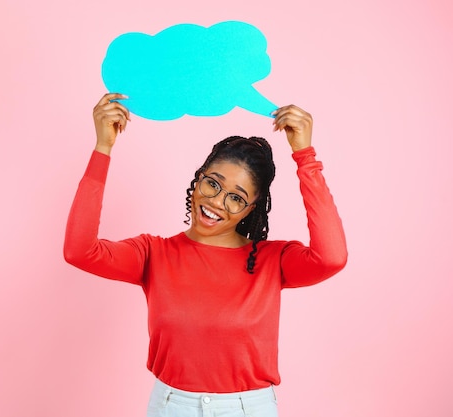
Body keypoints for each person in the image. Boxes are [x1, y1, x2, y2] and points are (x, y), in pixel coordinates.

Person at [64, 93, 348, 417]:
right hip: (171, 406)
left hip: (248, 409)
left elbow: (332, 257)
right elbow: (79, 251)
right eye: (213, 184)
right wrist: (103, 147)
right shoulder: (153, 253)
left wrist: (305, 156)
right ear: (199, 177)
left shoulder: (272, 261)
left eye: (236, 198)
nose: (216, 202)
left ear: (250, 210)